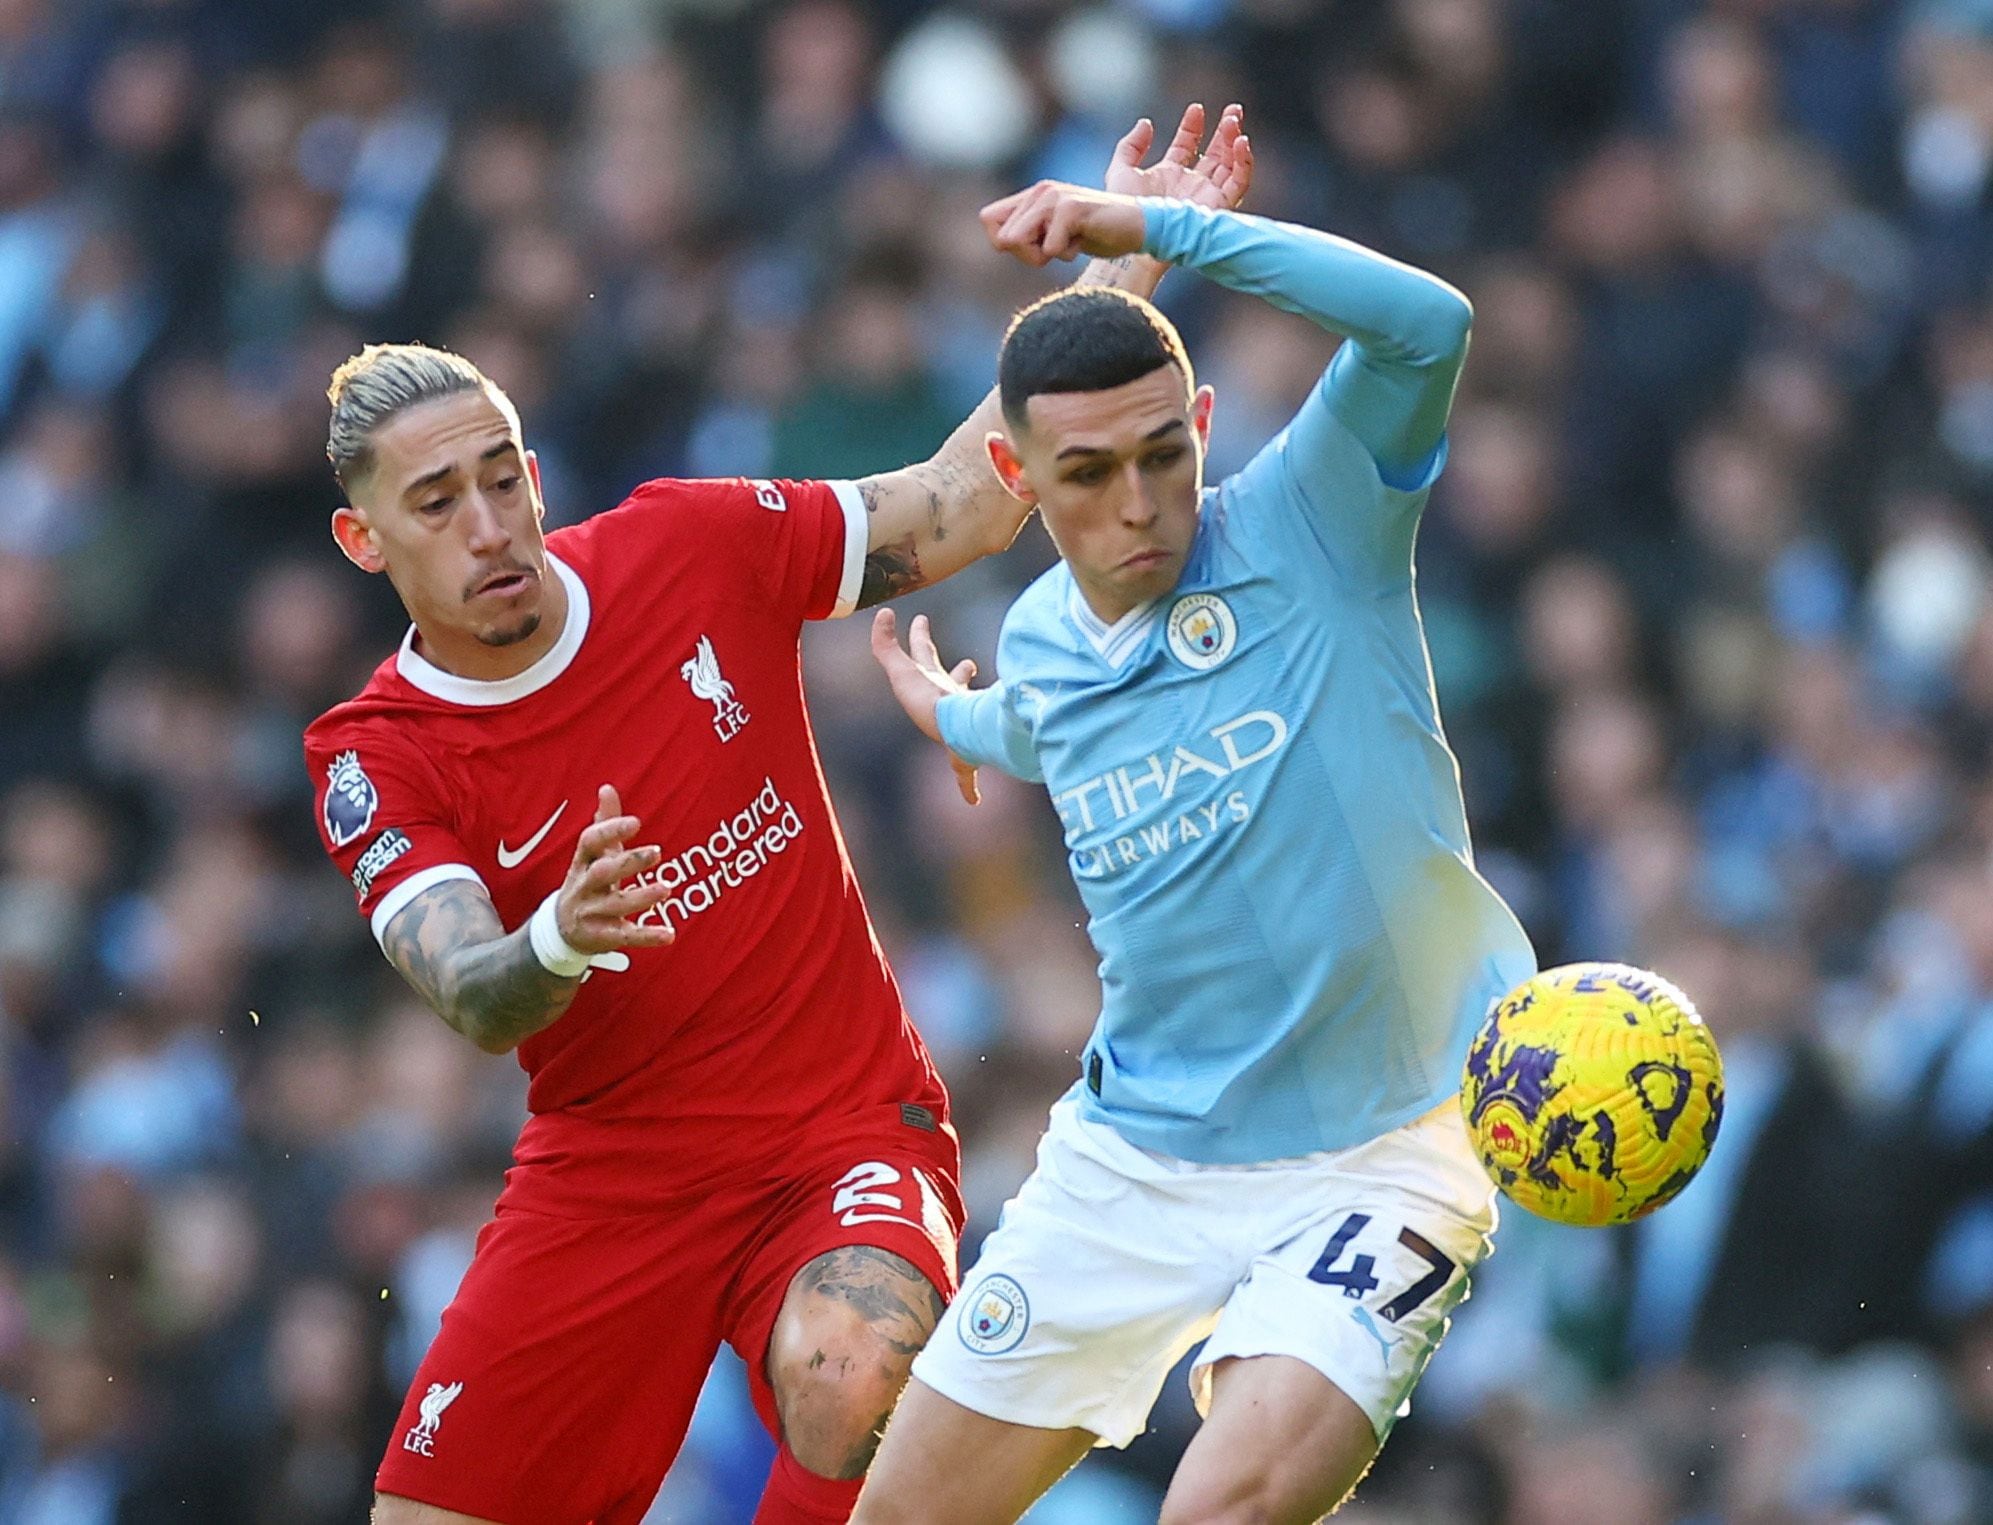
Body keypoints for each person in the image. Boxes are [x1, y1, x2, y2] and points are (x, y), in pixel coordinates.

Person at [301, 111, 1251, 1525]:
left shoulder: (687, 546)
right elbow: (476, 992)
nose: (489, 523)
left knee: (854, 1361)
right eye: (437, 501)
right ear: (363, 540)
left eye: (502, 474)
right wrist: (554, 934)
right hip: (607, 1170)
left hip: (838, 1128)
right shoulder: (376, 753)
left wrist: (1120, 271)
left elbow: (954, 505)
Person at [856, 178, 1538, 1525]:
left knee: (1215, 1508)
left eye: (1163, 453)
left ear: (1204, 425)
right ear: (1020, 479)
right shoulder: (1047, 642)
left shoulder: (1311, 521)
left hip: (1387, 1148)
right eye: (1090, 474)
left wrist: (1160, 235)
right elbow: (1042, 723)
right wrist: (953, 715)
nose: (1141, 503)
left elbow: (1427, 323)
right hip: (1132, 1165)